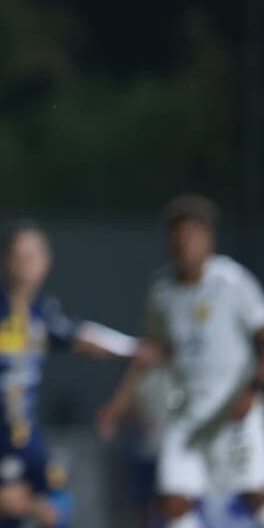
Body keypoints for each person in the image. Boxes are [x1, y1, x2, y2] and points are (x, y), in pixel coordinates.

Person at [0, 221, 137, 528]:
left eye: (33, 255)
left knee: (53, 504)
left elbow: (80, 335)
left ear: (47, 261)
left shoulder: (43, 311)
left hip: (24, 426)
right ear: (3, 259)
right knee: (5, 501)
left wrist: (133, 349)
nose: (26, 263)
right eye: (19, 255)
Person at [96, 195, 264, 528]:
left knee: (253, 493)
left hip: (233, 410)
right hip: (187, 411)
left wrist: (253, 389)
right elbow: (152, 352)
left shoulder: (232, 282)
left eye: (194, 234)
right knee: (172, 498)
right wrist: (117, 404)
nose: (185, 242)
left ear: (209, 239)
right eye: (179, 235)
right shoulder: (163, 291)